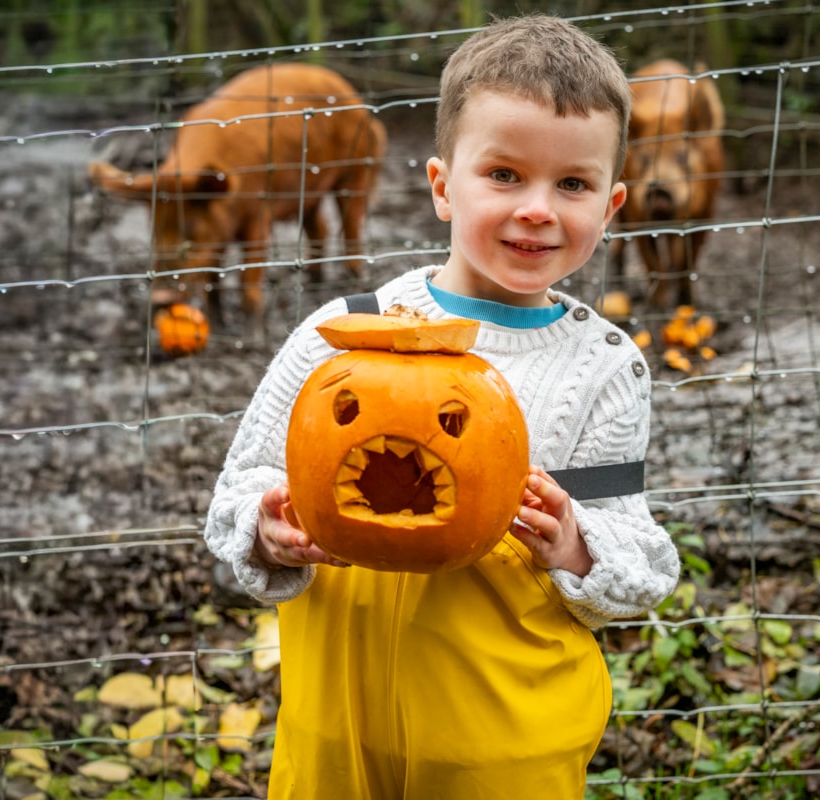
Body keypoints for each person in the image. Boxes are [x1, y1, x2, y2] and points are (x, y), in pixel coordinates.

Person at [204, 13, 680, 799]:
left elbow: (635, 561)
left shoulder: (603, 367)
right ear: (441, 186)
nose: (537, 208)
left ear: (612, 203)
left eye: (572, 183)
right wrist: (269, 527)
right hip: (335, 737)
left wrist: (572, 544)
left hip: (499, 745)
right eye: (504, 175)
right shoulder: (341, 333)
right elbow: (236, 495)